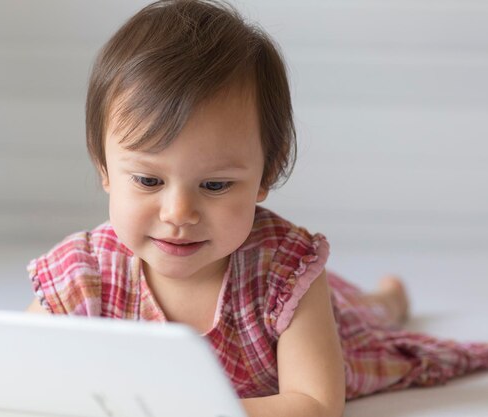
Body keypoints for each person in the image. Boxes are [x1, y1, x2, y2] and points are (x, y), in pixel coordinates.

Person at [25, 1, 488, 416]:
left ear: (267, 173)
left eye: (215, 184)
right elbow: (14, 369)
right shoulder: (84, 275)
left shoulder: (286, 274)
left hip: (323, 326)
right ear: (103, 165)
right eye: (148, 180)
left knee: (363, 317)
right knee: (353, 303)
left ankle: (388, 299)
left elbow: (316, 403)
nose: (179, 212)